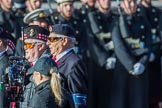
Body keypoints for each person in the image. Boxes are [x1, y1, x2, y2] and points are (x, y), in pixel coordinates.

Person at [110, 0, 152, 108]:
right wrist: (131, 65)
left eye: (134, 2)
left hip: (141, 70)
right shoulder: (116, 21)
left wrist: (142, 63)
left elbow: (148, 44)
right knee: (121, 102)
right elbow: (119, 46)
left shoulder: (143, 21)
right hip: (124, 69)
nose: (132, 5)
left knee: (139, 102)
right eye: (129, 2)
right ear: (122, 4)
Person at [47, 24, 88, 108]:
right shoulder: (53, 59)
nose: (48, 43)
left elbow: (78, 101)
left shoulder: (74, 63)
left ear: (64, 41)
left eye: (52, 39)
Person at [137, 0, 162, 107]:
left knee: (154, 96)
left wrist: (154, 52)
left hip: (155, 56)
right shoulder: (136, 12)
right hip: (139, 59)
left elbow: (159, 35)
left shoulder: (157, 12)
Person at [19, 25, 51, 108]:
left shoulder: (48, 66)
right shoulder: (28, 65)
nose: (25, 48)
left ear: (40, 46)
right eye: (24, 45)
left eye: (29, 45)